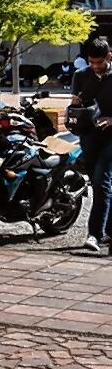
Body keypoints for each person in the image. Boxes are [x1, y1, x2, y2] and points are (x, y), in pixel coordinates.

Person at [71, 37, 112, 253]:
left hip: (110, 136)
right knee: (99, 184)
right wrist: (75, 105)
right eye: (92, 62)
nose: (95, 66)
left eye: (100, 62)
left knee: (101, 180)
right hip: (88, 135)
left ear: (109, 57)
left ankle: (94, 234)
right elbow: (76, 105)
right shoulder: (81, 75)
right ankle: (108, 231)